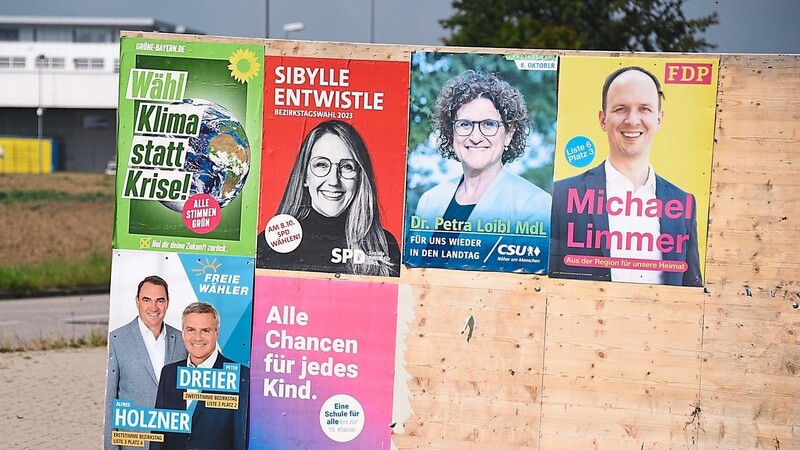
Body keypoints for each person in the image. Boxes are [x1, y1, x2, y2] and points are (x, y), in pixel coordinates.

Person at [549, 66, 702, 286]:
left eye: (644, 109)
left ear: (659, 119)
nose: (632, 120)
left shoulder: (683, 203)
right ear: (603, 119)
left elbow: (692, 290)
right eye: (621, 108)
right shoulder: (561, 197)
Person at [412, 71, 552, 250]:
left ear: (509, 133)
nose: (475, 137)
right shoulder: (430, 200)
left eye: (488, 124)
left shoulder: (533, 204)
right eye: (464, 124)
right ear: (451, 132)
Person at [256, 120, 400, 276]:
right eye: (321, 165)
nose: (333, 181)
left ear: (360, 178)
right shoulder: (271, 243)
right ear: (304, 176)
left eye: (347, 166)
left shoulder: (384, 246)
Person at [104, 275, 188, 450]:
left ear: (167, 302)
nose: (153, 307)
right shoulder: (117, 339)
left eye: (160, 301)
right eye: (147, 300)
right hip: (134, 443)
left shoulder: (183, 341)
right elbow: (110, 401)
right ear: (137, 301)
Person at [152, 302, 249, 450]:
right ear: (183, 332)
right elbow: (159, 433)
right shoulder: (169, 373)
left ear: (216, 333)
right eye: (191, 330)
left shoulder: (240, 376)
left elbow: (240, 439)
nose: (198, 338)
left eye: (205, 330)